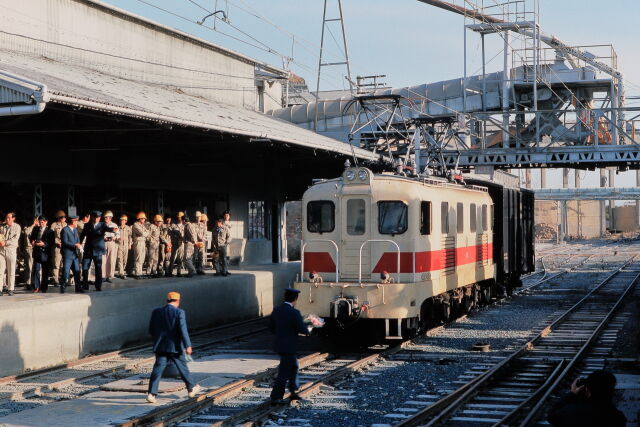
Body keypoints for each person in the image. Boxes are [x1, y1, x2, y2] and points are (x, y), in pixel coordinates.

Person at [146, 291, 201, 403]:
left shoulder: (156, 312)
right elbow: (182, 330)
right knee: (182, 367)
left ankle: (151, 394)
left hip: (161, 346)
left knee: (157, 369)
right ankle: (191, 388)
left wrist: (159, 338)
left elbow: (151, 330)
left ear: (167, 300)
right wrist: (188, 345)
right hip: (175, 347)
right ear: (177, 301)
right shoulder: (179, 312)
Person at [269, 288, 310, 404]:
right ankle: (276, 397)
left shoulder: (276, 310)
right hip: (289, 346)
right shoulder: (294, 313)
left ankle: (293, 392)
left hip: (279, 345)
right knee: (284, 372)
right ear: (295, 299)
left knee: (294, 366)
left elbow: (271, 328)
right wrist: (309, 328)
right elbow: (302, 329)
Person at [548, 370, 626, 427]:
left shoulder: (570, 412)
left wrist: (572, 394)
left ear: (587, 390)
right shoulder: (617, 418)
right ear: (611, 391)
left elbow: (551, 416)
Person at [81, 210, 117, 292]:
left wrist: (113, 230)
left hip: (98, 251)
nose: (97, 219)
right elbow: (82, 235)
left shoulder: (102, 225)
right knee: (85, 268)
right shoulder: (87, 225)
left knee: (98, 269)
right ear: (92, 217)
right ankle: (85, 285)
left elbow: (108, 229)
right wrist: (79, 244)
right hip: (88, 250)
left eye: (99, 217)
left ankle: (98, 286)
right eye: (96, 217)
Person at [29, 216, 54, 293]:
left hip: (45, 253)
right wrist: (32, 241)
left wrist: (44, 244)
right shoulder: (36, 229)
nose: (40, 224)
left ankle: (44, 287)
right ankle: (36, 286)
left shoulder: (50, 231)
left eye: (42, 222)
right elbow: (31, 237)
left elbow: (51, 243)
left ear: (46, 222)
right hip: (37, 252)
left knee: (45, 271)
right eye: (39, 222)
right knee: (36, 270)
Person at [0, 212, 21, 296]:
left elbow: (15, 239)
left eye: (9, 217)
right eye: (6, 217)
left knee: (11, 270)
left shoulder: (17, 227)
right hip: (1, 251)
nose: (7, 219)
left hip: (11, 250)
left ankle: (10, 288)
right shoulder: (2, 227)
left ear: (13, 218)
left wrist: (5, 242)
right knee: (0, 270)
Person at [60, 215, 83, 294]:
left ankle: (78, 287)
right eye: (76, 221)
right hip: (68, 254)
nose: (77, 223)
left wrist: (79, 245)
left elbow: (77, 240)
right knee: (66, 271)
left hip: (75, 254)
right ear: (72, 221)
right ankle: (63, 286)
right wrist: (75, 245)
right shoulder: (65, 230)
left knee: (77, 271)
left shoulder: (75, 230)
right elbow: (65, 242)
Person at [49, 210, 66, 287]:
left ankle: (62, 279)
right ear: (59, 218)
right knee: (56, 264)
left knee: (64, 264)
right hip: (57, 247)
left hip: (65, 247)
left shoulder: (66, 225)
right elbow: (51, 236)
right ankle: (55, 280)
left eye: (64, 217)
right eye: (63, 217)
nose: (64, 219)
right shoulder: (54, 225)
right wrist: (57, 242)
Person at [20, 216, 38, 289]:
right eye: (35, 220)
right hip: (29, 248)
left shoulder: (38, 227)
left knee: (36, 266)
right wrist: (33, 225)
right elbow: (27, 232)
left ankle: (35, 282)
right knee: (29, 266)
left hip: (36, 247)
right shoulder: (27, 227)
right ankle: (28, 282)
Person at [132, 212, 150, 279]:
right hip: (138, 242)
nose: (144, 220)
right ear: (139, 219)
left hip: (143, 242)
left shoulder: (143, 225)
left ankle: (140, 272)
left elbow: (148, 233)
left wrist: (146, 233)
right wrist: (146, 233)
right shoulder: (136, 225)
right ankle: (137, 273)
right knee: (138, 258)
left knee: (142, 258)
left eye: (144, 219)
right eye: (142, 219)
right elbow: (142, 233)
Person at [102, 211, 119, 283]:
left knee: (110, 260)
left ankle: (108, 276)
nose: (105, 218)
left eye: (107, 217)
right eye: (105, 217)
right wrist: (103, 238)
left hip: (112, 243)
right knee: (103, 260)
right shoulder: (102, 225)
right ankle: (103, 276)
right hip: (104, 243)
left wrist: (115, 237)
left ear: (110, 218)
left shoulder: (114, 225)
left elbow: (118, 234)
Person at [167, 212, 185, 277]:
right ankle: (170, 272)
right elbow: (169, 232)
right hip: (175, 243)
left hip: (181, 243)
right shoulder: (173, 225)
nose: (179, 218)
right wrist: (174, 235)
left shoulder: (184, 225)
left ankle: (179, 272)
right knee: (173, 258)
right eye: (178, 217)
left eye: (180, 217)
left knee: (180, 258)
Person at [115, 214, 132, 279]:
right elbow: (115, 237)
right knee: (120, 259)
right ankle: (121, 273)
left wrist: (130, 244)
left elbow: (130, 237)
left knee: (125, 260)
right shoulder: (117, 228)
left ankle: (122, 270)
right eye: (121, 220)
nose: (122, 221)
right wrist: (118, 238)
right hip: (119, 245)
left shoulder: (128, 228)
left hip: (126, 246)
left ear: (126, 221)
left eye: (124, 220)